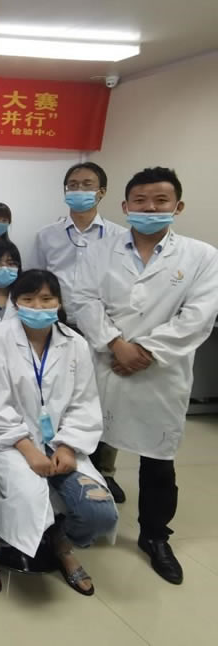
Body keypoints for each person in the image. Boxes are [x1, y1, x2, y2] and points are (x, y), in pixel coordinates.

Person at [74, 167, 218, 585]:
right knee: (91, 443)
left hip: (162, 372)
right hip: (107, 362)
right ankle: (87, 517)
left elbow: (198, 316)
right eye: (140, 201)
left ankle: (155, 536)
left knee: (158, 460)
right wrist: (114, 343)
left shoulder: (201, 256)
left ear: (178, 206)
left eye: (160, 201)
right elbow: (82, 299)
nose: (150, 208)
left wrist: (145, 351)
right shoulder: (100, 250)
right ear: (125, 205)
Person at [0, 270, 117, 596]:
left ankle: (62, 541)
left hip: (63, 441)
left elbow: (84, 402)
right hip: (10, 442)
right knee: (26, 497)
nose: (37, 306)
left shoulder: (75, 344)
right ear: (15, 303)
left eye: (46, 299)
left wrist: (68, 446)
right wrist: (27, 449)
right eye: (28, 299)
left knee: (100, 514)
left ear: (59, 302)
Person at [34, 161, 125, 326]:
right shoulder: (46, 234)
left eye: (87, 185)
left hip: (104, 325)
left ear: (102, 192)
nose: (79, 190)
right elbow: (37, 279)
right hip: (55, 322)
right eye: (73, 185)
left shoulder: (120, 236)